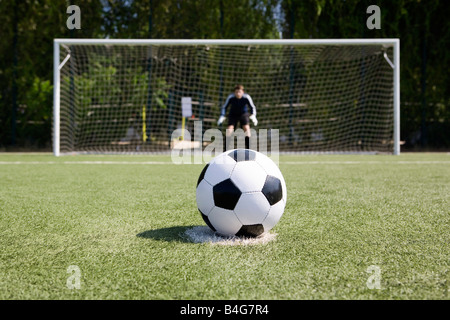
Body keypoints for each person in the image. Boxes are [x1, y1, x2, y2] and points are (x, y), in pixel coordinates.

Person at [217, 84, 258, 150]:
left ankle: (249, 149)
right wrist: (222, 115)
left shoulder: (246, 97)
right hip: (233, 115)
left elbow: (252, 107)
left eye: (240, 92)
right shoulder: (231, 97)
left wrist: (253, 115)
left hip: (243, 114)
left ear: (243, 92)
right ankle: (225, 150)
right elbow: (224, 107)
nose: (238, 93)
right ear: (234, 92)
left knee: (247, 129)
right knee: (229, 130)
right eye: (236, 92)